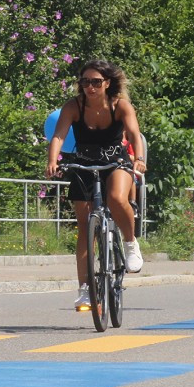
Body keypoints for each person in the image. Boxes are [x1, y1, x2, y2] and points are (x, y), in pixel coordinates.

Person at [46, 59, 146, 311]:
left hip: (116, 162)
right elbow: (59, 135)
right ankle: (85, 291)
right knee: (84, 227)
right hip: (84, 164)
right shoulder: (73, 106)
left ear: (107, 83)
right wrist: (52, 161)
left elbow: (134, 134)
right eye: (85, 82)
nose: (90, 87)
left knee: (116, 197)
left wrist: (140, 159)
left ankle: (130, 242)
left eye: (96, 82)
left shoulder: (120, 106)